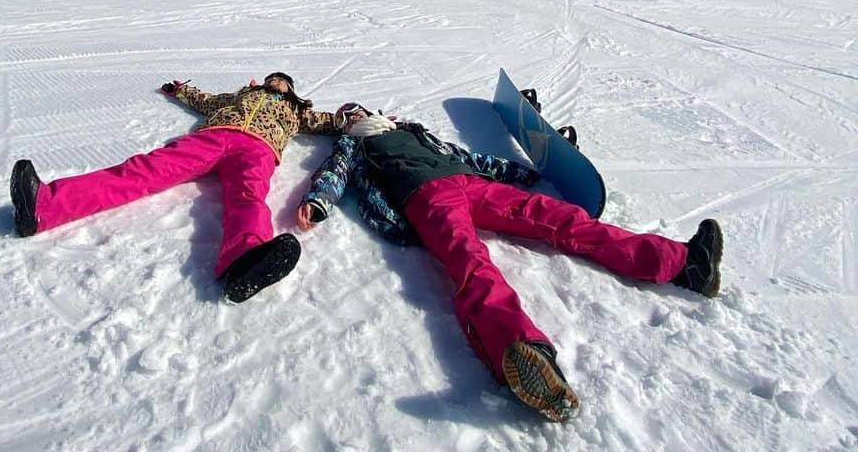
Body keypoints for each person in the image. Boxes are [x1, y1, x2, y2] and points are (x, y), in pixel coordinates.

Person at [297, 104, 724, 423]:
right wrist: (318, 202)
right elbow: (332, 176)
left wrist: (520, 174)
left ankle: (683, 263)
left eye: (360, 110)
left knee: (561, 219)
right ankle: (517, 354)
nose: (358, 115)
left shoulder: (412, 130)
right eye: (350, 115)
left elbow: (468, 157)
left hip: (469, 183)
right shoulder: (355, 146)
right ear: (347, 124)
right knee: (471, 263)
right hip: (425, 198)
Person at [10, 72, 346, 303]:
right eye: (274, 78)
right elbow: (203, 100)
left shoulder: (297, 111)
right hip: (215, 137)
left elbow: (331, 123)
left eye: (283, 82)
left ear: (292, 90)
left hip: (258, 149)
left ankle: (245, 261)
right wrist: (180, 90)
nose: (277, 82)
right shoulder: (236, 97)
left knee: (249, 196)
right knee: (144, 170)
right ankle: (44, 206)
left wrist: (358, 121)